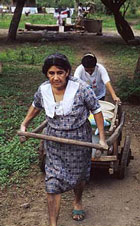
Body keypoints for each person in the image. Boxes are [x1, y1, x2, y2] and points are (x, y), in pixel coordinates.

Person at [20, 53, 107, 226]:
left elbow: (96, 110)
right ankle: (53, 224)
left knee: (79, 177)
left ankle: (77, 201)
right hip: (54, 142)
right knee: (52, 182)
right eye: (51, 73)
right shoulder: (43, 89)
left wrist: (102, 139)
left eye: (60, 72)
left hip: (78, 141)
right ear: (46, 74)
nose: (56, 77)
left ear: (67, 72)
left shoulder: (81, 88)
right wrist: (24, 125)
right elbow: (36, 106)